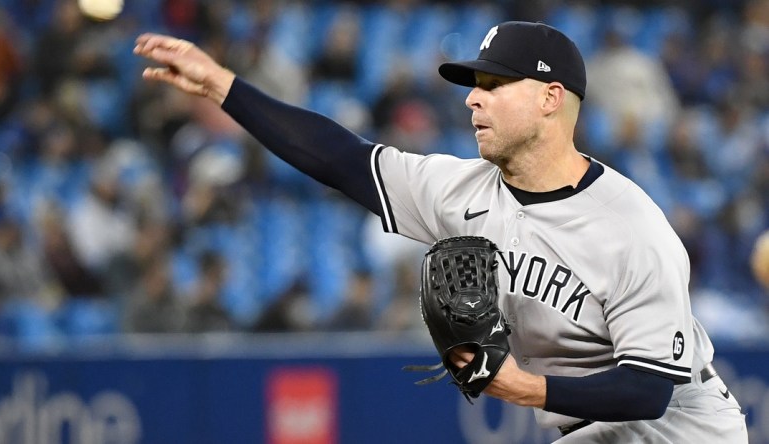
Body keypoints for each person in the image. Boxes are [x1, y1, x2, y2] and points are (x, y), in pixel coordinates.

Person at [134, 20, 747, 442]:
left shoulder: (632, 228)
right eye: (473, 87)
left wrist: (524, 387)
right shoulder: (463, 190)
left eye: (494, 86)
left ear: (551, 99)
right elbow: (340, 158)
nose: (472, 102)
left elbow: (646, 391)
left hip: (682, 431)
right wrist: (221, 86)